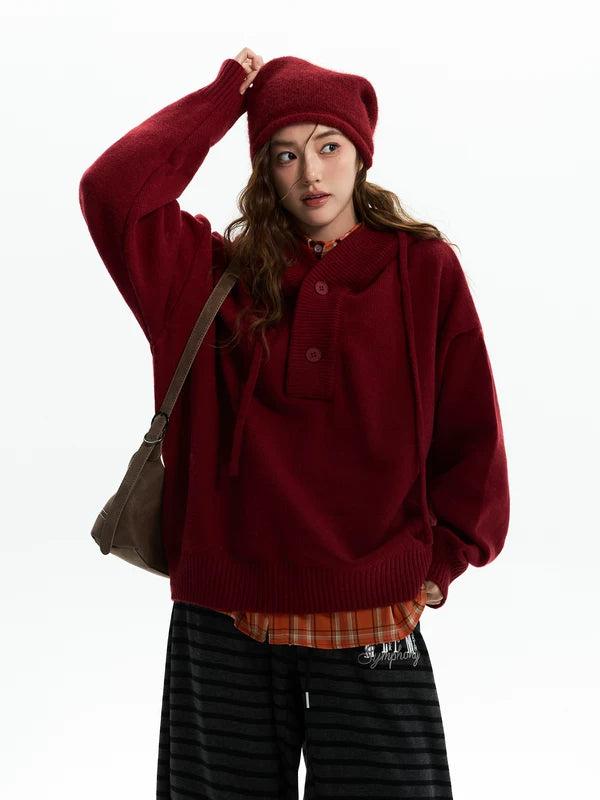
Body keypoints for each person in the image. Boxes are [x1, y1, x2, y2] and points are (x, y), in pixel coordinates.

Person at [79, 46, 510, 800]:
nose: (311, 172)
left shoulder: (424, 270)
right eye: (285, 153)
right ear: (263, 169)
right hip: (224, 617)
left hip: (374, 614)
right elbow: (112, 192)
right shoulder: (206, 276)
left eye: (329, 146)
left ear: (362, 154)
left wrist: (439, 568)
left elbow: (471, 433)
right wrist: (225, 98)